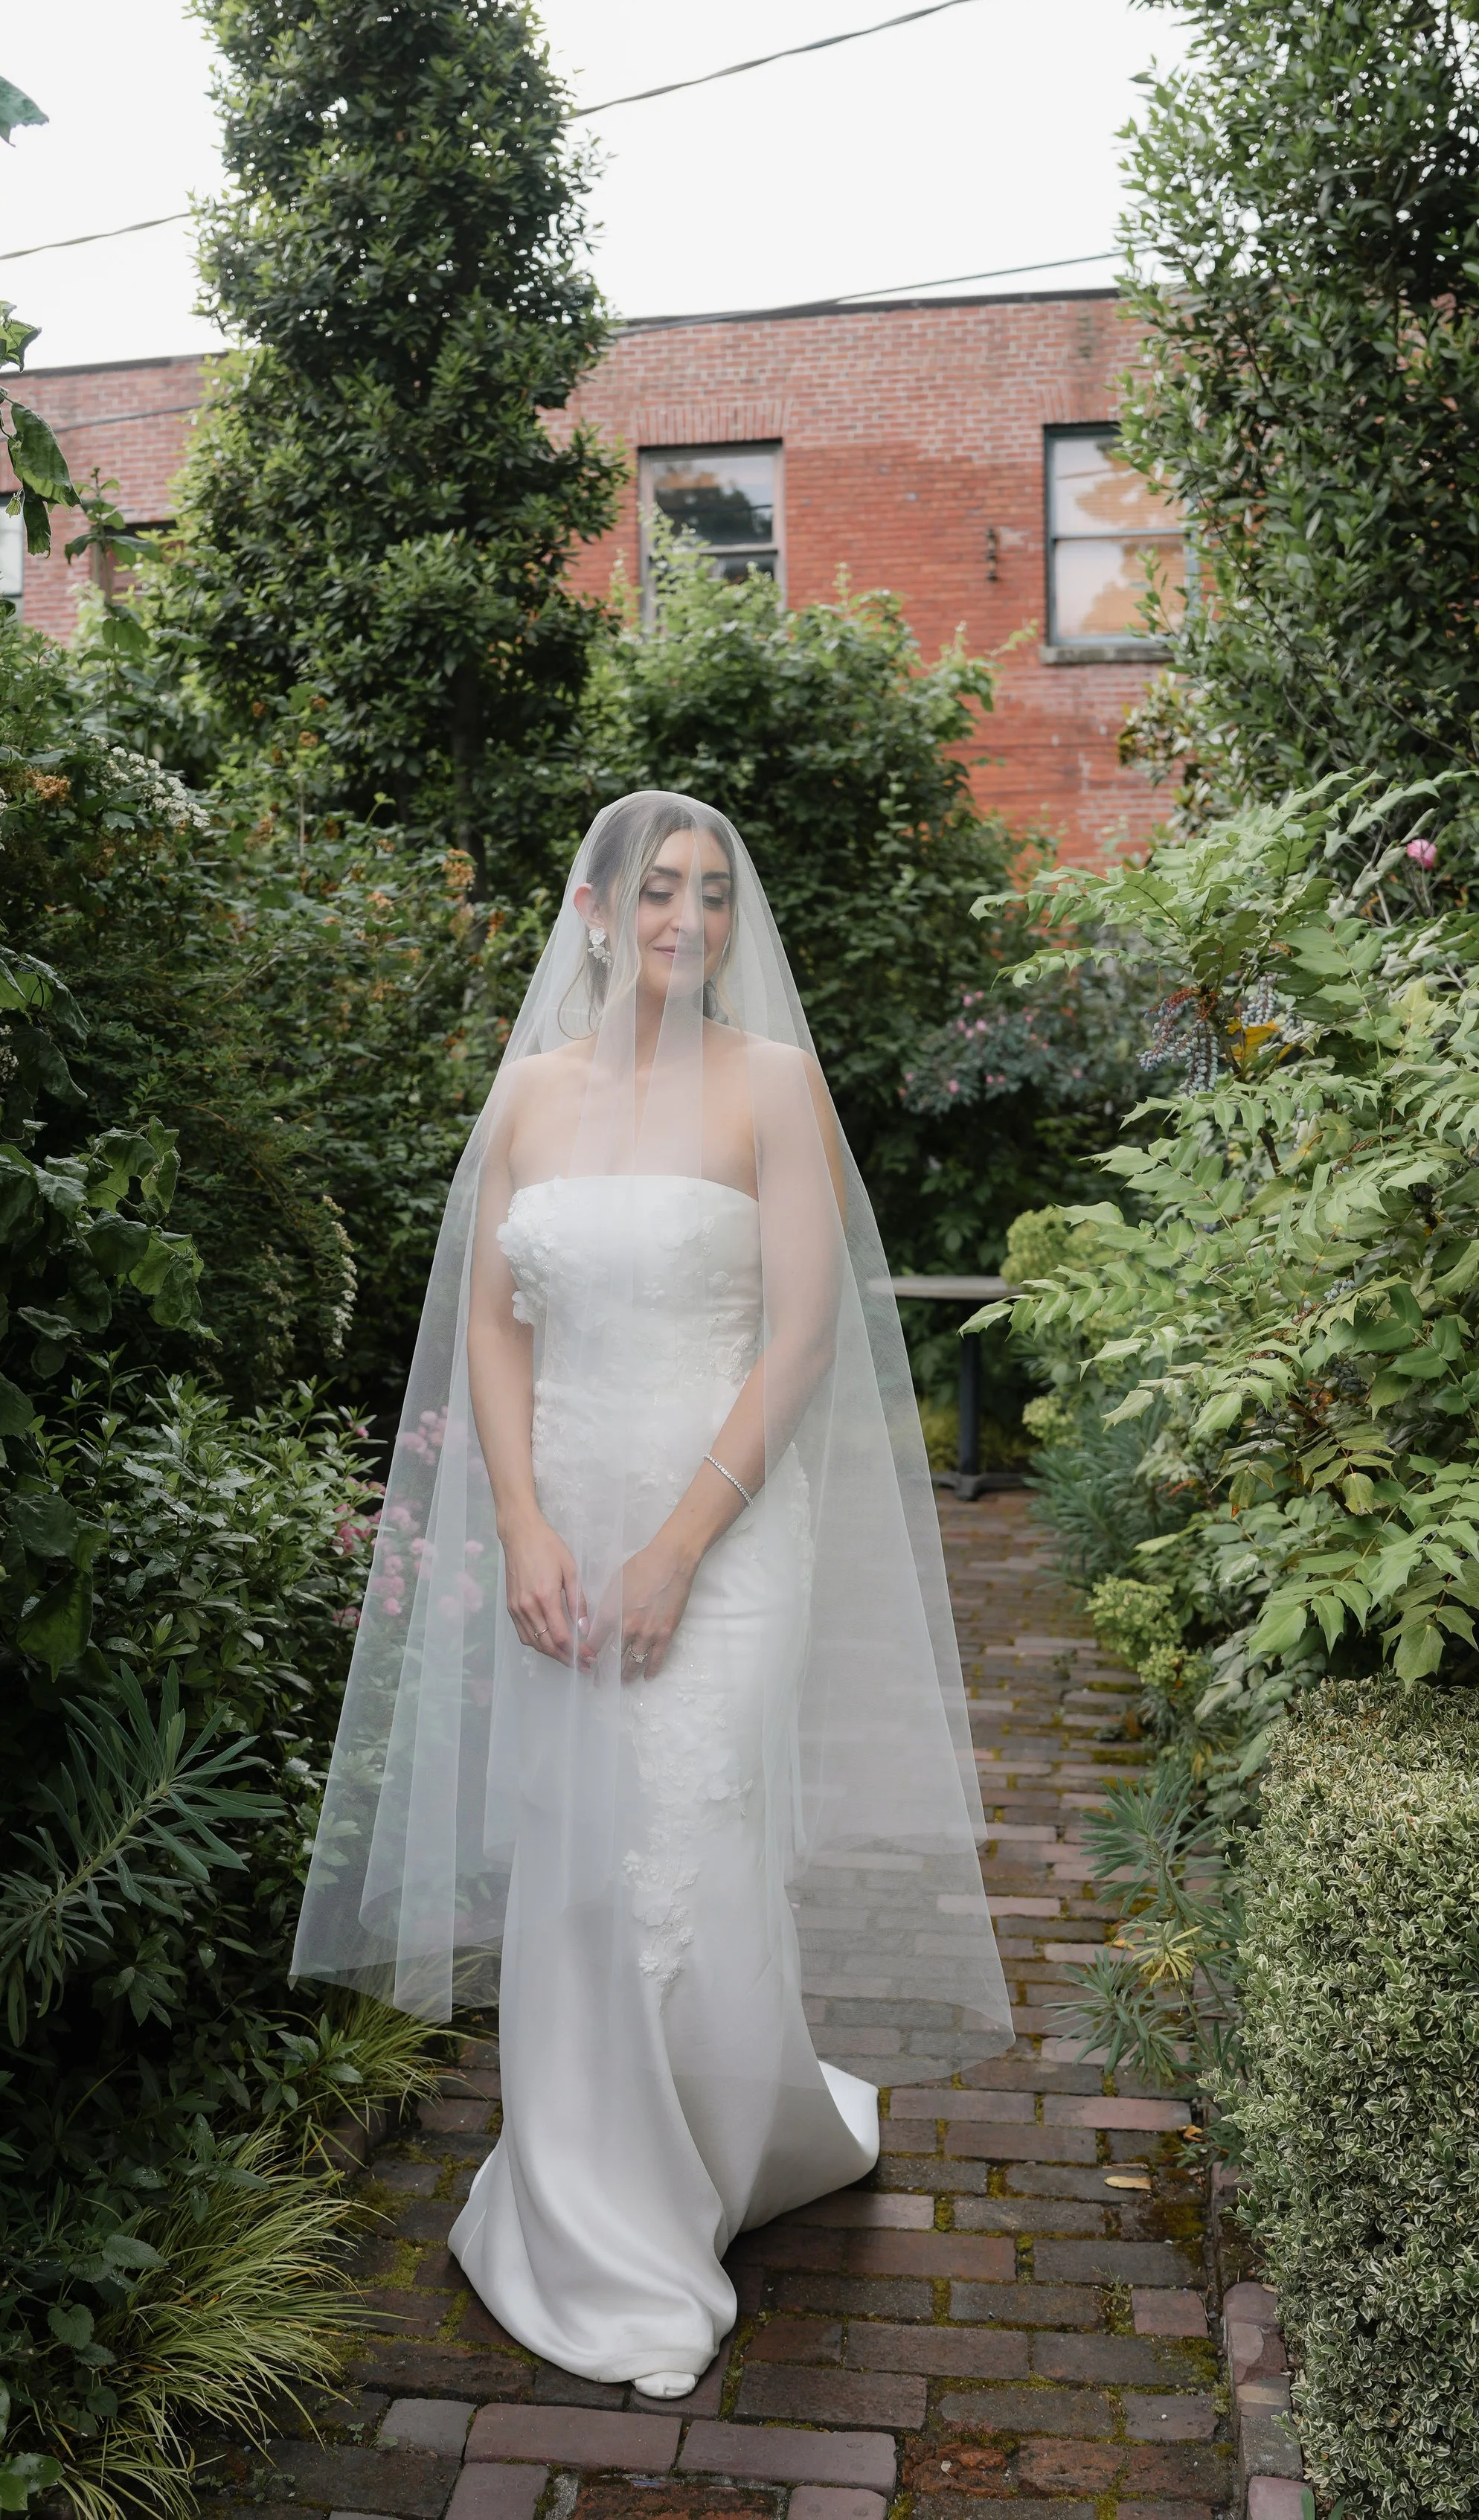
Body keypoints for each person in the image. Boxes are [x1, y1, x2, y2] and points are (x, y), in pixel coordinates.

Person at [293, 791, 1010, 2397]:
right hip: (561, 1539)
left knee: (680, 1862)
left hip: (725, 1528)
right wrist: (527, 1530)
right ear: (595, 911)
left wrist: (681, 1544)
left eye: (712, 895)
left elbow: (805, 1337)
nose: (687, 919)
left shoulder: (773, 1087)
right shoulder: (531, 1100)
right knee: (574, 1873)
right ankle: (591, 2217)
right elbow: (492, 1329)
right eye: (657, 892)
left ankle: (705, 2163)